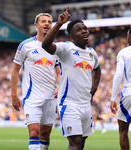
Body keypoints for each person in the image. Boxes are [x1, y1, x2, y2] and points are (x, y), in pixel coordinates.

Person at [42, 6, 101, 150]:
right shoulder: (66, 48)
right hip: (69, 104)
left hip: (86, 105)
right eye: (79, 30)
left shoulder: (92, 53)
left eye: (85, 28)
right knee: (74, 143)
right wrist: (59, 24)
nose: (84, 31)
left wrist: (93, 91)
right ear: (72, 36)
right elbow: (46, 45)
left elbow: (97, 69)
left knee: (81, 143)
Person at [11, 13, 60, 150]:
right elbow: (15, 70)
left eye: (49, 22)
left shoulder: (55, 48)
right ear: (36, 25)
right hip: (32, 96)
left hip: (51, 97)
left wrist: (60, 85)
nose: (47, 24)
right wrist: (14, 95)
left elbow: (59, 71)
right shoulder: (26, 45)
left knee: (45, 134)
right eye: (43, 21)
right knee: (34, 132)